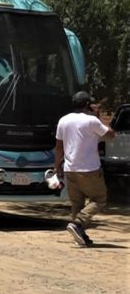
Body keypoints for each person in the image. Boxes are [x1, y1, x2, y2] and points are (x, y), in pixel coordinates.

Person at [54, 91, 115, 246]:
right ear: (87, 105)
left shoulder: (63, 120)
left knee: (77, 203)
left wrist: (57, 167)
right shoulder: (91, 121)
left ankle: (80, 236)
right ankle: (78, 224)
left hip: (70, 169)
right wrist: (98, 117)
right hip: (89, 169)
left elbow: (59, 147)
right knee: (99, 199)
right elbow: (111, 134)